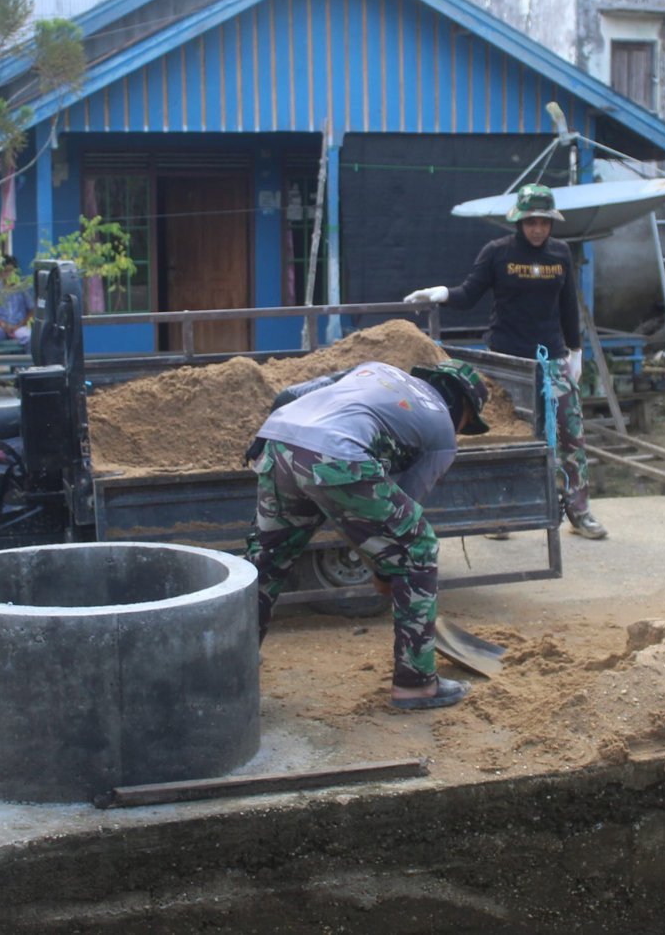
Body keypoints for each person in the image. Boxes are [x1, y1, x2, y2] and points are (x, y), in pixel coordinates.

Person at [243, 359, 491, 711]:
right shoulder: (442, 432)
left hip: (277, 441)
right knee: (418, 546)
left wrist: (380, 558)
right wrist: (387, 568)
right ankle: (417, 684)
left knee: (268, 557)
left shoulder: (375, 370)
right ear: (463, 408)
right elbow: (404, 515)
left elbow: (290, 394)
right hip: (336, 454)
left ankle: (235, 655)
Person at [402, 183, 606, 539]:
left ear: (551, 222)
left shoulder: (560, 255)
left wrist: (575, 351)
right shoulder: (498, 253)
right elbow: (470, 293)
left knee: (570, 436)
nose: (538, 229)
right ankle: (500, 515)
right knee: (507, 441)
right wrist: (442, 294)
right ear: (518, 222)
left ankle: (579, 511)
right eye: (531, 222)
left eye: (544, 221)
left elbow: (568, 307)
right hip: (507, 361)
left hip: (551, 361)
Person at [0, 255, 34, 347]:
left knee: (29, 337)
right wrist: (2, 324)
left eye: (11, 271)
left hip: (19, 327)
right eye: (5, 271)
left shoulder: (23, 288)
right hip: (1, 327)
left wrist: (19, 325)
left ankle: (26, 361)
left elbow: (31, 310)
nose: (8, 274)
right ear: (0, 273)